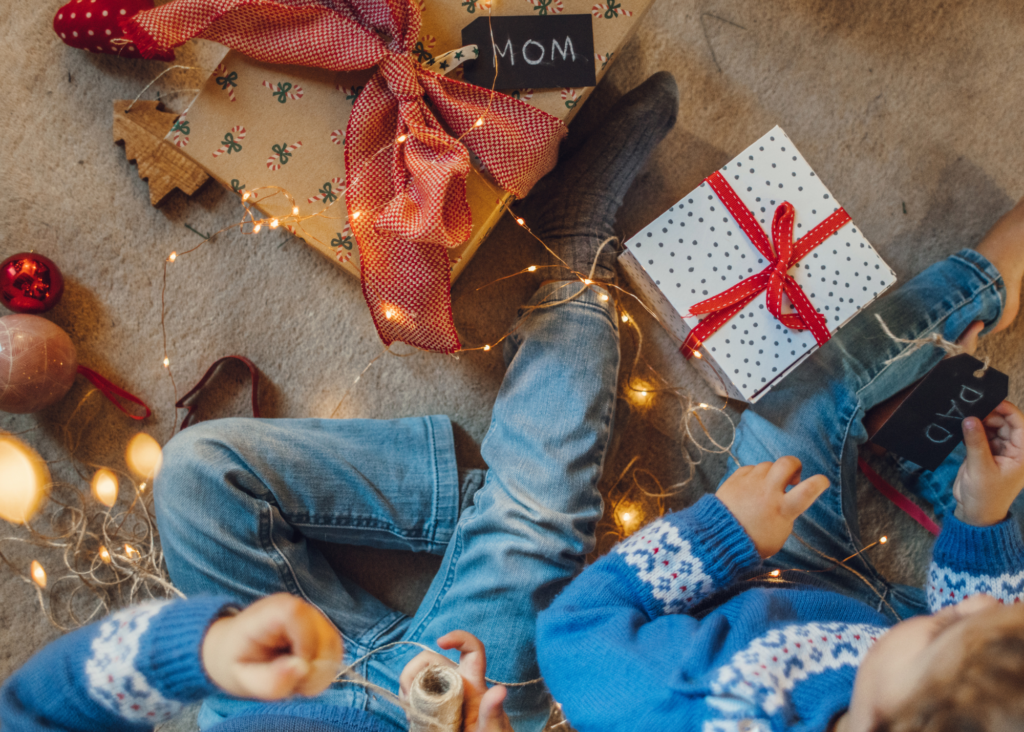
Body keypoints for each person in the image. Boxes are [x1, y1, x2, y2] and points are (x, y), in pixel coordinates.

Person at [0, 73, 681, 732]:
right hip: (436, 713)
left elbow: (34, 709)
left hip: (261, 694)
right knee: (537, 520)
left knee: (195, 472)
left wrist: (200, 652)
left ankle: (484, 505)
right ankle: (574, 254)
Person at [536, 196, 1024, 731]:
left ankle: (958, 319)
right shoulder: (927, 685)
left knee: (793, 414)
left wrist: (724, 532)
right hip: (879, 640)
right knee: (1001, 480)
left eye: (946, 625)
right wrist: (982, 520)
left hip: (769, 583)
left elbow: (573, 634)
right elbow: (974, 628)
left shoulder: (700, 701)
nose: (971, 607)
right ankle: (920, 419)